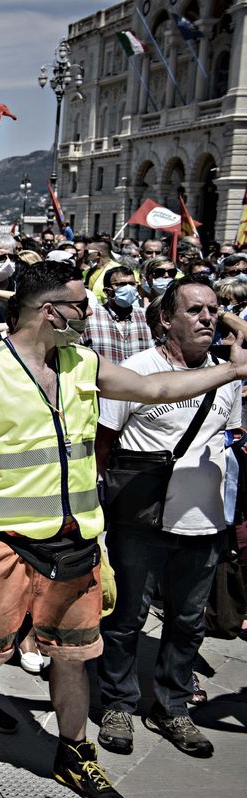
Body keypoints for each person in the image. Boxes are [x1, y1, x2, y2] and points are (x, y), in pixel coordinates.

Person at [0, 259, 247, 798]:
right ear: (50, 311)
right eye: (81, 304)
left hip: (74, 546)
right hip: (2, 548)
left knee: (74, 658)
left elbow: (155, 388)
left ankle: (74, 755)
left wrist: (233, 371)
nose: (91, 311)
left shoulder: (83, 363)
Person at [95, 277, 241, 759]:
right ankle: (118, 702)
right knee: (127, 618)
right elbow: (103, 444)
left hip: (204, 524)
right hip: (141, 520)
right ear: (165, 319)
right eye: (195, 310)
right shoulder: (135, 372)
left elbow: (231, 440)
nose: (207, 318)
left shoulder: (228, 374)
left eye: (213, 311)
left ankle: (172, 706)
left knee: (187, 622)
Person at [83, 266, 153, 364]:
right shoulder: (90, 318)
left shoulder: (148, 317)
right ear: (107, 291)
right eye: (121, 285)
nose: (128, 288)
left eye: (132, 284)